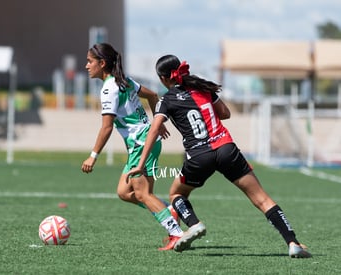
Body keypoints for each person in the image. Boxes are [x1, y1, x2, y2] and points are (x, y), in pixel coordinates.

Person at [126, 54, 312, 258]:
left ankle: (194, 224)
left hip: (198, 156)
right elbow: (225, 113)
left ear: (162, 78)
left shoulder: (166, 101)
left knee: (176, 194)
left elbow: (154, 130)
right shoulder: (203, 88)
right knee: (262, 199)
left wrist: (141, 163)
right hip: (226, 149)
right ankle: (293, 242)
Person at [81, 43, 183, 250]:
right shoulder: (123, 81)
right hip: (147, 141)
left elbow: (107, 128)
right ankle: (168, 210)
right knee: (124, 192)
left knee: (143, 194)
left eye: (90, 62)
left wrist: (93, 155)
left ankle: (176, 232)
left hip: (141, 144)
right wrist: (157, 123)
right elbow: (153, 95)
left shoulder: (109, 88)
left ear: (102, 63)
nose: (86, 66)